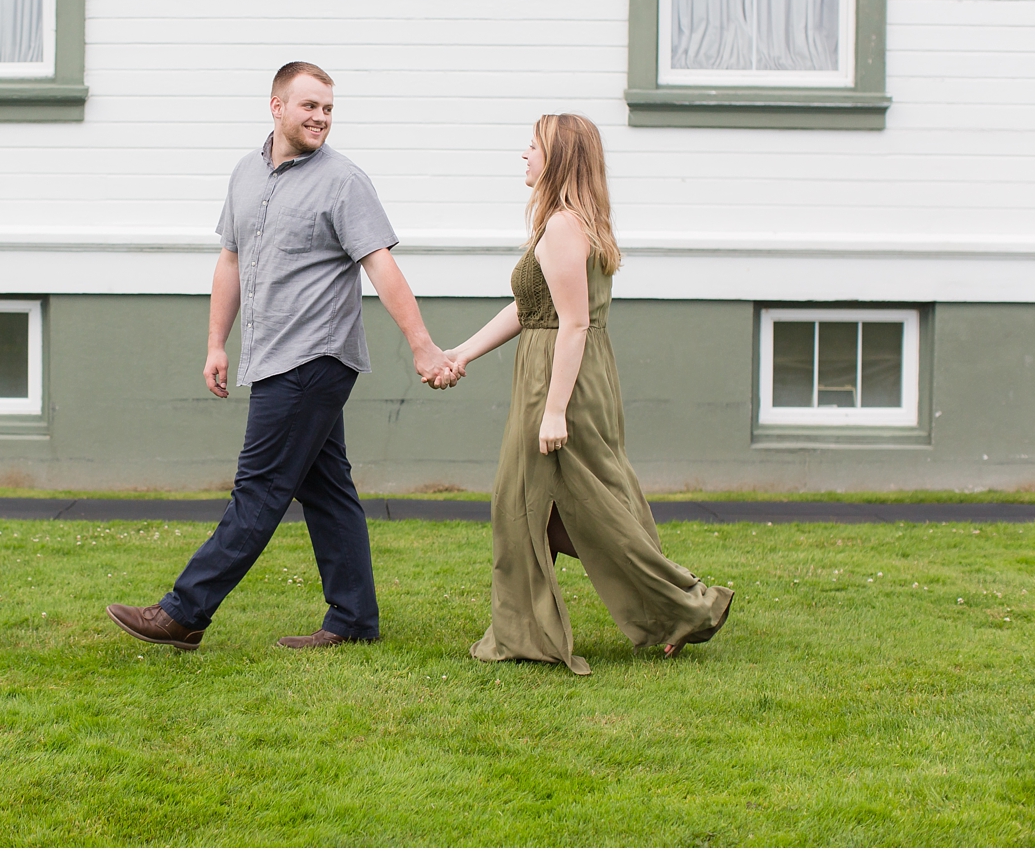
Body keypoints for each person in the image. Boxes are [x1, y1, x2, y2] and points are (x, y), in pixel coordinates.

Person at [107, 62, 459, 652]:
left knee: (260, 486)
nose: (321, 117)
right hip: (266, 354)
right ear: (276, 106)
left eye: (327, 108)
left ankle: (184, 612)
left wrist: (421, 346)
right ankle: (352, 620)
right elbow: (231, 260)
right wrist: (217, 343)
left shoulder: (345, 181)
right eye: (309, 106)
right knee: (326, 488)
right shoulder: (246, 174)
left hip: (314, 355)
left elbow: (380, 265)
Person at [443, 114, 732, 675]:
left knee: (545, 505)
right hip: (566, 370)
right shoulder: (570, 224)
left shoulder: (563, 227)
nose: (523, 154)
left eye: (533, 146)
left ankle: (676, 609)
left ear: (559, 158)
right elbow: (533, 310)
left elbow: (571, 324)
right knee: (565, 509)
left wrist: (553, 411)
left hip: (561, 380)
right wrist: (462, 353)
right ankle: (644, 613)